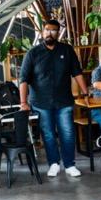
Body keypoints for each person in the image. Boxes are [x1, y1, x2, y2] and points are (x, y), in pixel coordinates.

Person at [20, 18, 89, 178]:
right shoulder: (33, 53)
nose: (49, 33)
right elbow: (23, 79)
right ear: (42, 32)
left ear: (58, 33)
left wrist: (85, 93)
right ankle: (54, 164)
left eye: (53, 30)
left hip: (64, 101)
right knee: (48, 134)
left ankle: (70, 165)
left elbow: (77, 73)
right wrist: (23, 102)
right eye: (46, 30)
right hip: (41, 103)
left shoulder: (67, 50)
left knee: (68, 133)